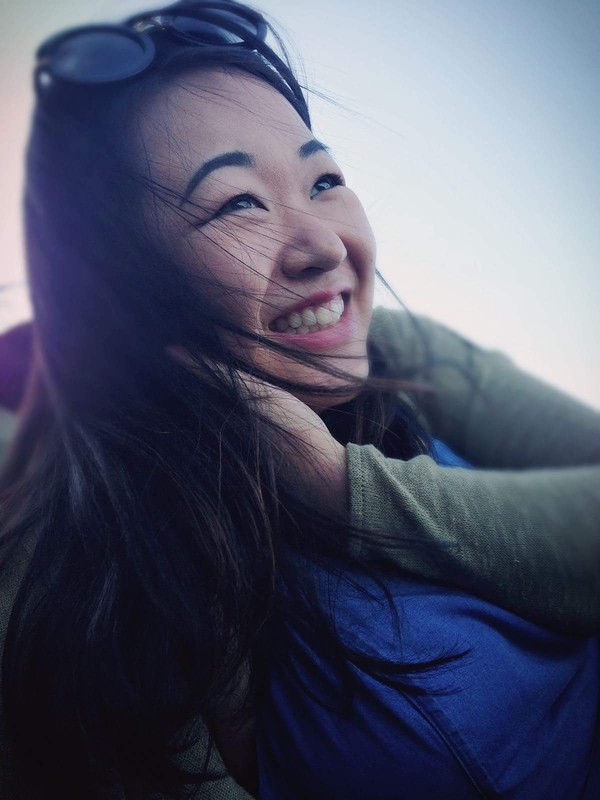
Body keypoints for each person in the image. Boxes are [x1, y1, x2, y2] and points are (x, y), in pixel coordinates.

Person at [0, 2, 598, 798]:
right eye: (238, 202)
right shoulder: (99, 576)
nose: (323, 245)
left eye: (324, 181)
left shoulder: (402, 352)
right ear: (123, 288)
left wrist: (347, 491)